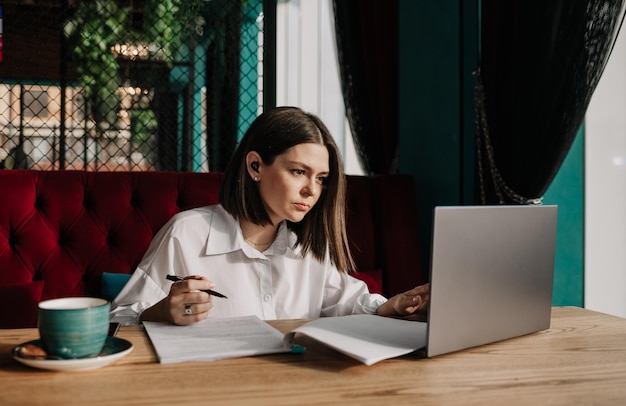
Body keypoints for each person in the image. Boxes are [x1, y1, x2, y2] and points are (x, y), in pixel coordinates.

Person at [110, 106, 429, 325]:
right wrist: (161, 311)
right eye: (298, 172)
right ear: (255, 166)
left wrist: (395, 304)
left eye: (320, 178)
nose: (312, 190)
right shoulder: (186, 233)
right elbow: (118, 317)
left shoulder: (308, 248)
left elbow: (349, 301)